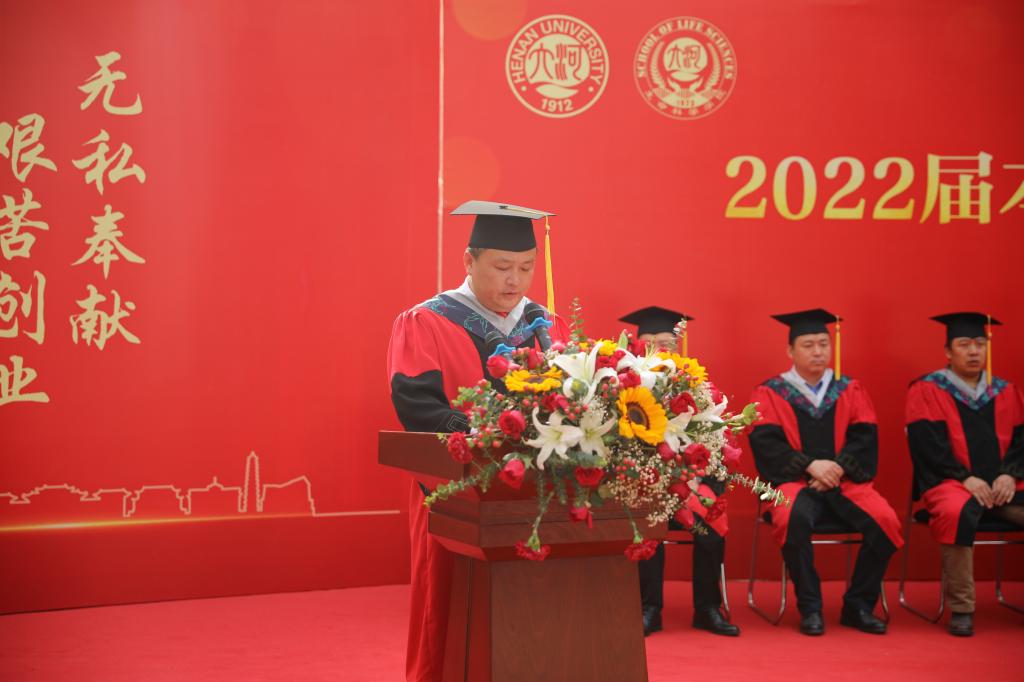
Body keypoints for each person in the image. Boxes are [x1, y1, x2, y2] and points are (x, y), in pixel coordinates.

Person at [386, 200, 569, 682]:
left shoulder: (546, 325)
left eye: (526, 267)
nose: (516, 281)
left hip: (537, 494)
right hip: (454, 490)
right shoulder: (426, 321)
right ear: (469, 261)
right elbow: (417, 408)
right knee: (446, 607)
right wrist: (488, 437)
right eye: (503, 267)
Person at [748, 309, 902, 636]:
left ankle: (858, 606)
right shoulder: (771, 392)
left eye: (823, 344)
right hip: (793, 482)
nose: (818, 351)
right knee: (791, 519)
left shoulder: (849, 388)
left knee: (886, 522)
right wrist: (809, 465)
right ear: (790, 351)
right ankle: (811, 607)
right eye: (808, 345)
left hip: (844, 481)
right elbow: (766, 442)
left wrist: (836, 467)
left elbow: (864, 438)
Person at [620, 306, 739, 637]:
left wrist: (701, 480)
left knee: (711, 514)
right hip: (645, 487)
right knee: (647, 517)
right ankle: (649, 607)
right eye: (649, 344)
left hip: (690, 484)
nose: (658, 350)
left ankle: (708, 608)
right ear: (636, 348)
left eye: (666, 344)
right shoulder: (623, 390)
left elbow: (718, 441)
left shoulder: (700, 389)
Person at [905, 312, 1024, 637]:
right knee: (955, 513)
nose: (973, 351)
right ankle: (962, 608)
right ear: (948, 351)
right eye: (964, 344)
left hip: (1004, 487)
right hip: (951, 484)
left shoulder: (1006, 391)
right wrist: (965, 478)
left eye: (980, 344)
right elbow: (926, 446)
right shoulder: (927, 389)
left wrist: (1009, 474)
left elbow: (1021, 441)